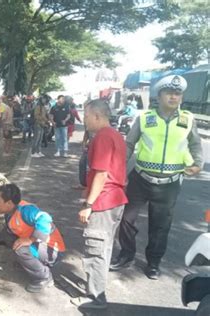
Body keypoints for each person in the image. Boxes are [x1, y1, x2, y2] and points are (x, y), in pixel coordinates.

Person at [110, 75, 203, 279]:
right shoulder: (145, 118)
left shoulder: (187, 120)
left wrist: (198, 164)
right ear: (159, 96)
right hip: (140, 178)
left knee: (160, 226)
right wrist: (119, 170)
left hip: (169, 184)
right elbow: (129, 144)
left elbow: (195, 144)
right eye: (169, 93)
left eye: (177, 93)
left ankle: (153, 263)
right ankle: (126, 255)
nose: (173, 97)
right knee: (127, 220)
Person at [71, 99, 128, 309]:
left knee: (95, 251)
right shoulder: (115, 135)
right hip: (115, 200)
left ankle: (96, 299)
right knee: (104, 249)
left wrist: (88, 203)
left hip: (104, 202)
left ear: (96, 116)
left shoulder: (102, 137)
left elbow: (102, 174)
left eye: (86, 116)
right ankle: (96, 291)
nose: (84, 120)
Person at [0, 183, 66, 293]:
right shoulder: (10, 212)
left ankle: (44, 277)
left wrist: (30, 240)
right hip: (41, 246)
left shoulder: (26, 210)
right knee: (9, 239)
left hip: (52, 251)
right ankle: (31, 263)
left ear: (9, 203)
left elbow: (45, 218)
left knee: (21, 249)